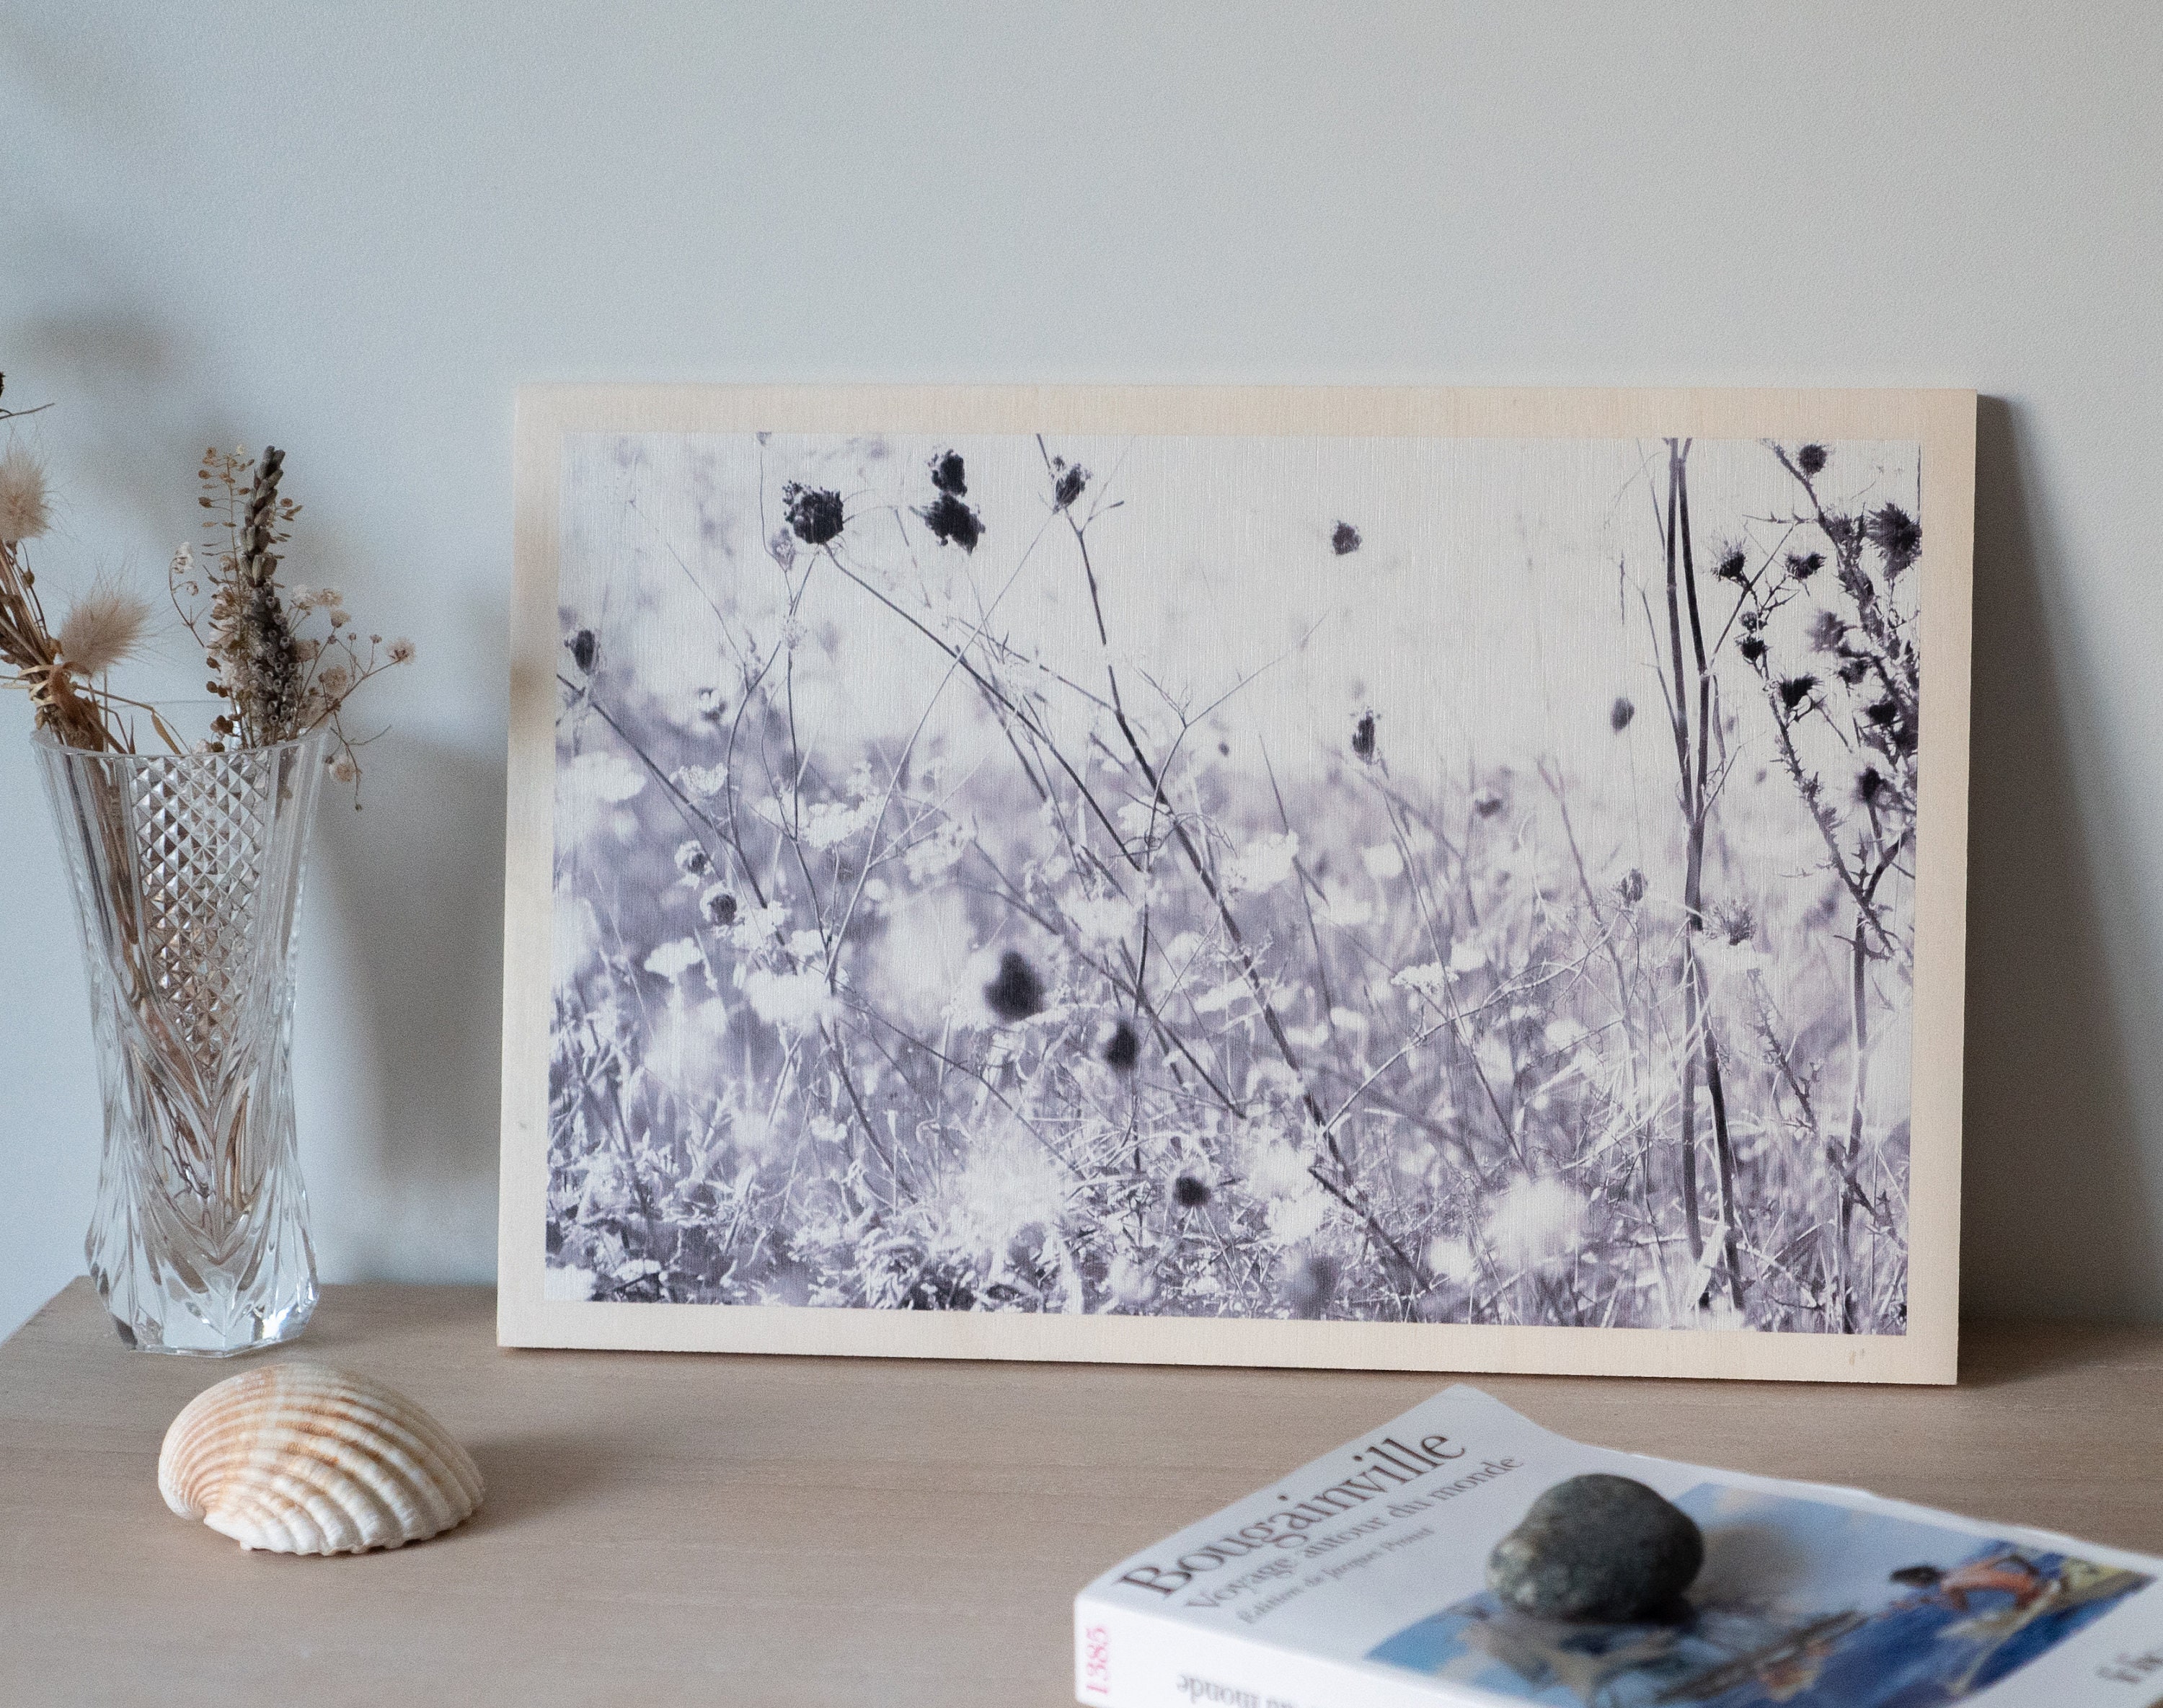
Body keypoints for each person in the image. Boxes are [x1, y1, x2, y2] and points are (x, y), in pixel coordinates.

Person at [1889, 1554, 2051, 1614]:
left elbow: (1962, 1608)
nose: (1913, 1588)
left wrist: (1931, 1601)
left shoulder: (1947, 1586)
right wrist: (2031, 1568)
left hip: (2030, 1594)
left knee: (2013, 1616)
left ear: (1919, 1582)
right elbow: (2010, 1556)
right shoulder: (1963, 1568)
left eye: (1911, 1584)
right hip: (2035, 1581)